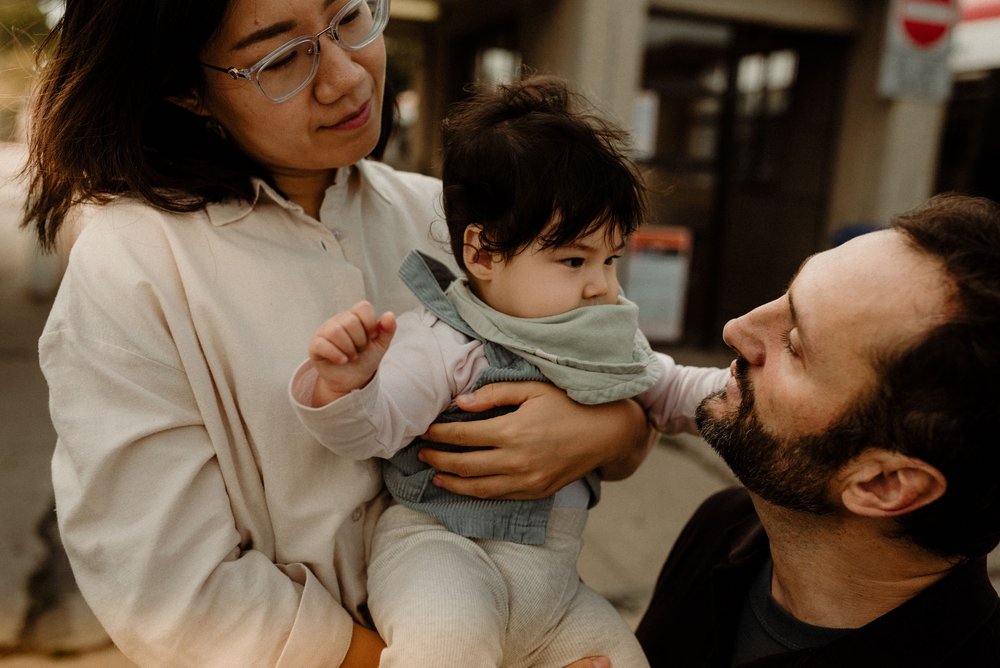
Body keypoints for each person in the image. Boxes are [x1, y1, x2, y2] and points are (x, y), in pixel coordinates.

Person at [24, 1, 655, 665]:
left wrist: (614, 430)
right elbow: (164, 590)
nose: (347, 75)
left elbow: (617, 368)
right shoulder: (134, 267)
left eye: (349, 15)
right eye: (280, 57)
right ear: (186, 89)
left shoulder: (444, 216)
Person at [291, 76, 728, 667]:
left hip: (551, 591)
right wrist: (347, 384)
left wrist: (739, 394)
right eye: (573, 260)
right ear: (484, 252)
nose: (601, 284)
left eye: (610, 259)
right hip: (444, 550)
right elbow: (372, 432)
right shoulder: (444, 339)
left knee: (624, 659)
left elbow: (670, 387)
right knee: (446, 649)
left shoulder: (600, 329)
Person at [636, 193, 1000, 667]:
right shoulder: (726, 528)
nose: (736, 329)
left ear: (882, 483)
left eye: (793, 344)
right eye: (786, 296)